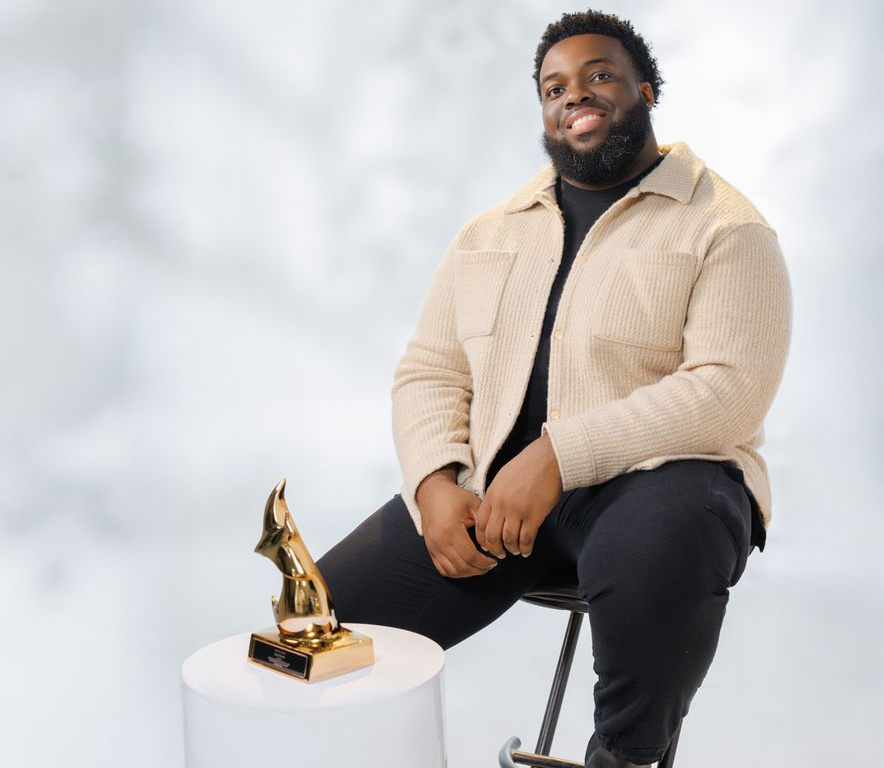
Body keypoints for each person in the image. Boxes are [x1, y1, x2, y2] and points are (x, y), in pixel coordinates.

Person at [318, 9, 791, 767]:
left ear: (645, 88)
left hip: (656, 487)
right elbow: (430, 370)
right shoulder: (489, 233)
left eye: (599, 75)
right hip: (489, 494)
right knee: (318, 627)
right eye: (554, 86)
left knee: (666, 538)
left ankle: (623, 756)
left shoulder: (726, 229)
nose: (577, 94)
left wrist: (557, 457)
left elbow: (728, 391)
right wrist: (433, 483)